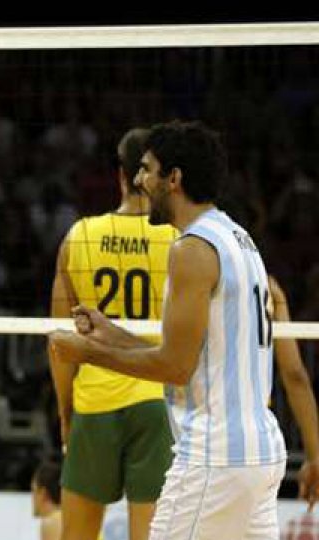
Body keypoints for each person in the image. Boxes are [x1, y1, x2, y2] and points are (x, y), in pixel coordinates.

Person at [50, 121, 286, 539]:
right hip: (260, 453)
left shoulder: (191, 249)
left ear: (173, 179)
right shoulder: (239, 237)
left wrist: (87, 354)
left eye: (147, 169)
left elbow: (175, 366)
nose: (140, 180)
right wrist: (109, 333)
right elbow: (194, 352)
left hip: (214, 457)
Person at [48, 128, 176, 540]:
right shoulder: (179, 240)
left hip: (95, 399)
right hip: (157, 401)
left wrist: (66, 414)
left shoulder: (78, 236)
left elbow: (59, 343)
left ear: (121, 176)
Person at [268, 277, 319, 509]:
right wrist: (315, 457)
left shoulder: (192, 261)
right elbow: (295, 375)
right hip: (264, 449)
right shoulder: (267, 285)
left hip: (207, 444)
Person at [31, 461, 63, 540]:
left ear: (43, 494)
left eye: (33, 490)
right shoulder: (70, 518)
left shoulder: (51, 522)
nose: (32, 498)